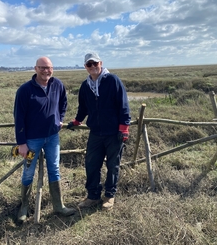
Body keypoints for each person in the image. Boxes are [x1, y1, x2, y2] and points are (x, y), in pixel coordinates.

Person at [13, 56, 75, 222]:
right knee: (28, 171)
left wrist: (60, 118)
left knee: (54, 168)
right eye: (42, 68)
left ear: (52, 69)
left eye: (49, 67)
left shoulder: (58, 85)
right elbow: (18, 117)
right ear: (35, 69)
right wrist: (21, 143)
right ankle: (24, 207)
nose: (46, 71)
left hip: (52, 138)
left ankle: (58, 205)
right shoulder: (25, 90)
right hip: (32, 141)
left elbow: (63, 103)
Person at [67, 52, 131, 211]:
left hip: (113, 132)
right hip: (95, 132)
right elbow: (83, 107)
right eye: (89, 64)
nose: (93, 67)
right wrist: (77, 120)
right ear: (85, 67)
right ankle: (93, 196)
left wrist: (124, 128)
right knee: (91, 163)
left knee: (113, 164)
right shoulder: (85, 85)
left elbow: (123, 105)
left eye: (95, 63)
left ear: (101, 63)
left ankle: (109, 195)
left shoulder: (112, 80)